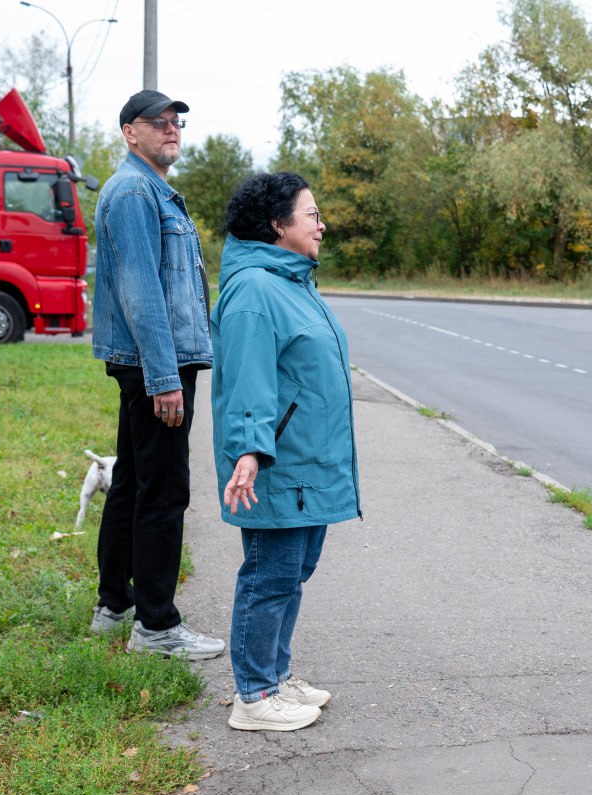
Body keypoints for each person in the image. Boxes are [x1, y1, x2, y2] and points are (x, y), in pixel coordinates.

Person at [209, 172, 362, 732]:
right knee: (269, 576)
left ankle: (274, 675)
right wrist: (249, 452)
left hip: (306, 459)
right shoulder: (255, 289)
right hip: (277, 462)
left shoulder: (290, 281)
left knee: (293, 571)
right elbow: (248, 380)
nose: (322, 225)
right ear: (278, 225)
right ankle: (254, 696)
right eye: (311, 214)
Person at [87, 89, 224, 661]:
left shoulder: (146, 190)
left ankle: (114, 606)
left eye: (177, 123)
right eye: (158, 122)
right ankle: (157, 627)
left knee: (133, 486)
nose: (172, 130)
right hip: (155, 365)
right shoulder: (136, 193)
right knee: (164, 492)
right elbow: (142, 290)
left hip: (150, 361)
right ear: (129, 132)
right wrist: (165, 378)